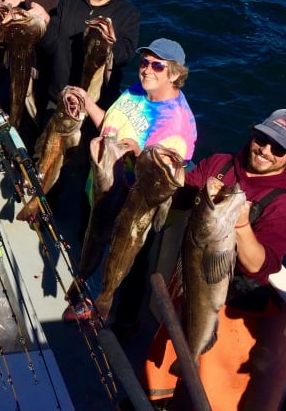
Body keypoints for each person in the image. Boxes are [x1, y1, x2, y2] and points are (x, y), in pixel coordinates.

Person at [144, 109, 286, 410]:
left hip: (233, 308)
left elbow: (260, 265)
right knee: (163, 363)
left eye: (279, 148)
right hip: (190, 288)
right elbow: (183, 194)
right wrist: (164, 171)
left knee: (212, 391)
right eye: (263, 139)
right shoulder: (220, 163)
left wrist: (242, 225)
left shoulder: (284, 207)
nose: (266, 150)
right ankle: (153, 400)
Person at [61, 38, 197, 325]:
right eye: (144, 62)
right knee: (91, 243)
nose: (147, 70)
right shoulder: (138, 93)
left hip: (125, 208)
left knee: (112, 260)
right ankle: (87, 287)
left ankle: (100, 303)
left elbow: (160, 184)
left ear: (174, 73)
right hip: (100, 189)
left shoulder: (176, 125)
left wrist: (139, 156)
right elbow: (109, 124)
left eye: (157, 65)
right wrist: (87, 103)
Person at [36, 0, 141, 113]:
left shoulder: (128, 14)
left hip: (95, 108)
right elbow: (49, 44)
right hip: (58, 99)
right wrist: (40, 24)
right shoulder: (68, 0)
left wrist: (109, 44)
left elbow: (124, 56)